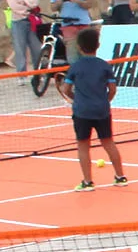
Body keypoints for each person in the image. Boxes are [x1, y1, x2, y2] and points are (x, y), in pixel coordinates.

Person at [54, 26, 127, 190]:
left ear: (79, 47)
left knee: (83, 145)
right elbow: (113, 89)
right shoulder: (105, 66)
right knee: (108, 142)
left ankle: (87, 182)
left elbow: (66, 90)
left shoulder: (75, 67)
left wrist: (76, 99)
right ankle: (120, 176)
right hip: (102, 110)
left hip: (82, 111)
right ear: (98, 45)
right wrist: (105, 101)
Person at [4, 0, 43, 73]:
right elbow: (15, 7)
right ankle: (22, 74)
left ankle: (38, 72)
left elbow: (36, 1)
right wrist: (28, 7)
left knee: (36, 48)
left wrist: (26, 3)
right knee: (20, 49)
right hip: (18, 22)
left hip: (32, 22)